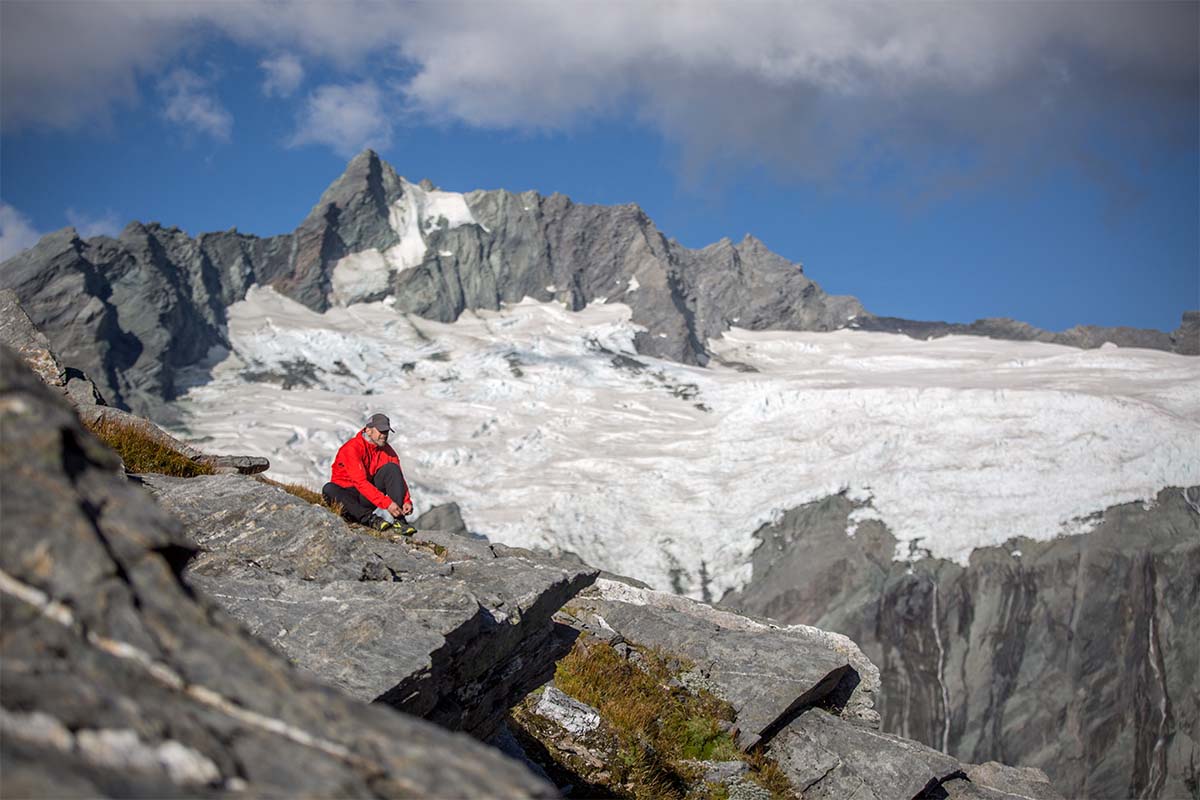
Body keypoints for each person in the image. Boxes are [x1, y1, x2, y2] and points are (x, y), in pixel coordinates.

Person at [322, 413, 418, 535]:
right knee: (329, 489)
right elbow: (360, 482)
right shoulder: (352, 448)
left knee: (392, 468)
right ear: (368, 430)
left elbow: (397, 477)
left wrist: (406, 500)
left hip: (365, 496)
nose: (384, 435)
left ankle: (400, 520)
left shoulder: (387, 451)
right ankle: (370, 520)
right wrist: (387, 503)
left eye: (386, 432)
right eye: (381, 431)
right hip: (346, 500)